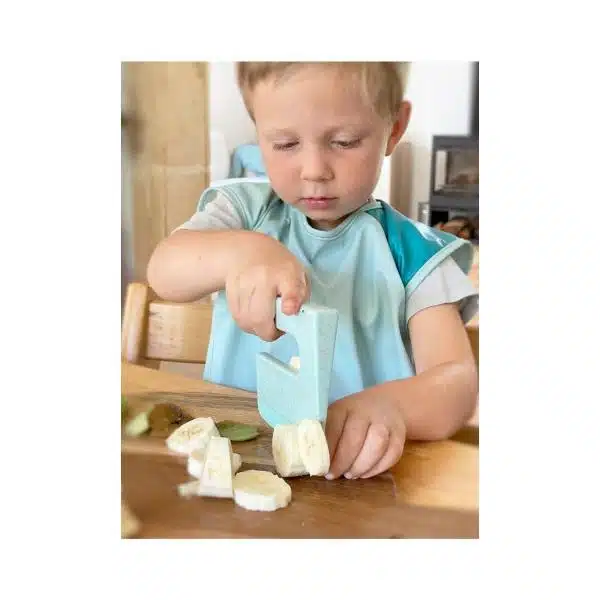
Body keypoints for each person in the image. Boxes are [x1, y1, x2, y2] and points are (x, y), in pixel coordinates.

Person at [147, 62, 479, 481]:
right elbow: (164, 270)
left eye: (344, 141)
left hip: (359, 479)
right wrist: (244, 251)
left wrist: (394, 406)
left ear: (394, 128)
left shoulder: (416, 255)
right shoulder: (243, 213)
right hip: (235, 467)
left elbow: (457, 383)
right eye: (285, 144)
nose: (314, 169)